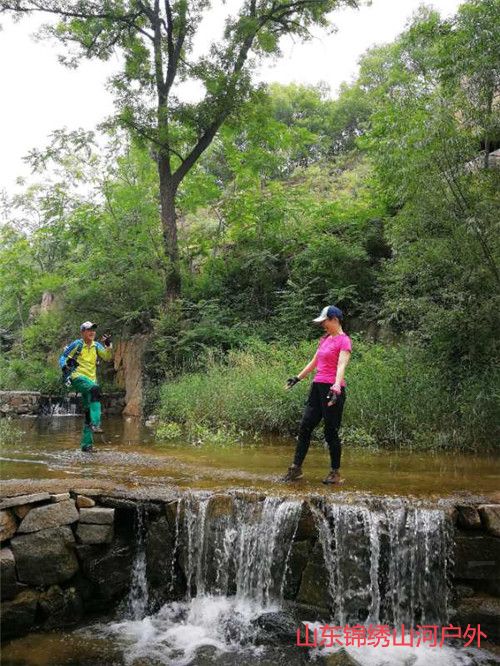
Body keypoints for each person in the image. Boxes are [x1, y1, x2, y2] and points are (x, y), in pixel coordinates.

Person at [281, 305, 352, 485]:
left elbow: (341, 365)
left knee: (330, 431)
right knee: (305, 426)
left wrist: (336, 386)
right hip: (317, 387)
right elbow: (314, 361)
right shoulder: (325, 339)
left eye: (325, 321)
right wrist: (297, 378)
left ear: (335, 320)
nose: (322, 325)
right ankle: (296, 469)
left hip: (332, 389)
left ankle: (335, 473)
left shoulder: (344, 341)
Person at [59, 321, 113, 452]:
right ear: (82, 332)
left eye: (93, 330)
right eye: (89, 330)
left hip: (91, 380)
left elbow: (107, 357)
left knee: (88, 412)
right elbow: (63, 357)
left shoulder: (96, 346)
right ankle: (96, 424)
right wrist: (64, 366)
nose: (92, 332)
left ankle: (86, 445)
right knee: (95, 389)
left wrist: (108, 345)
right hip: (77, 377)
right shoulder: (77, 344)